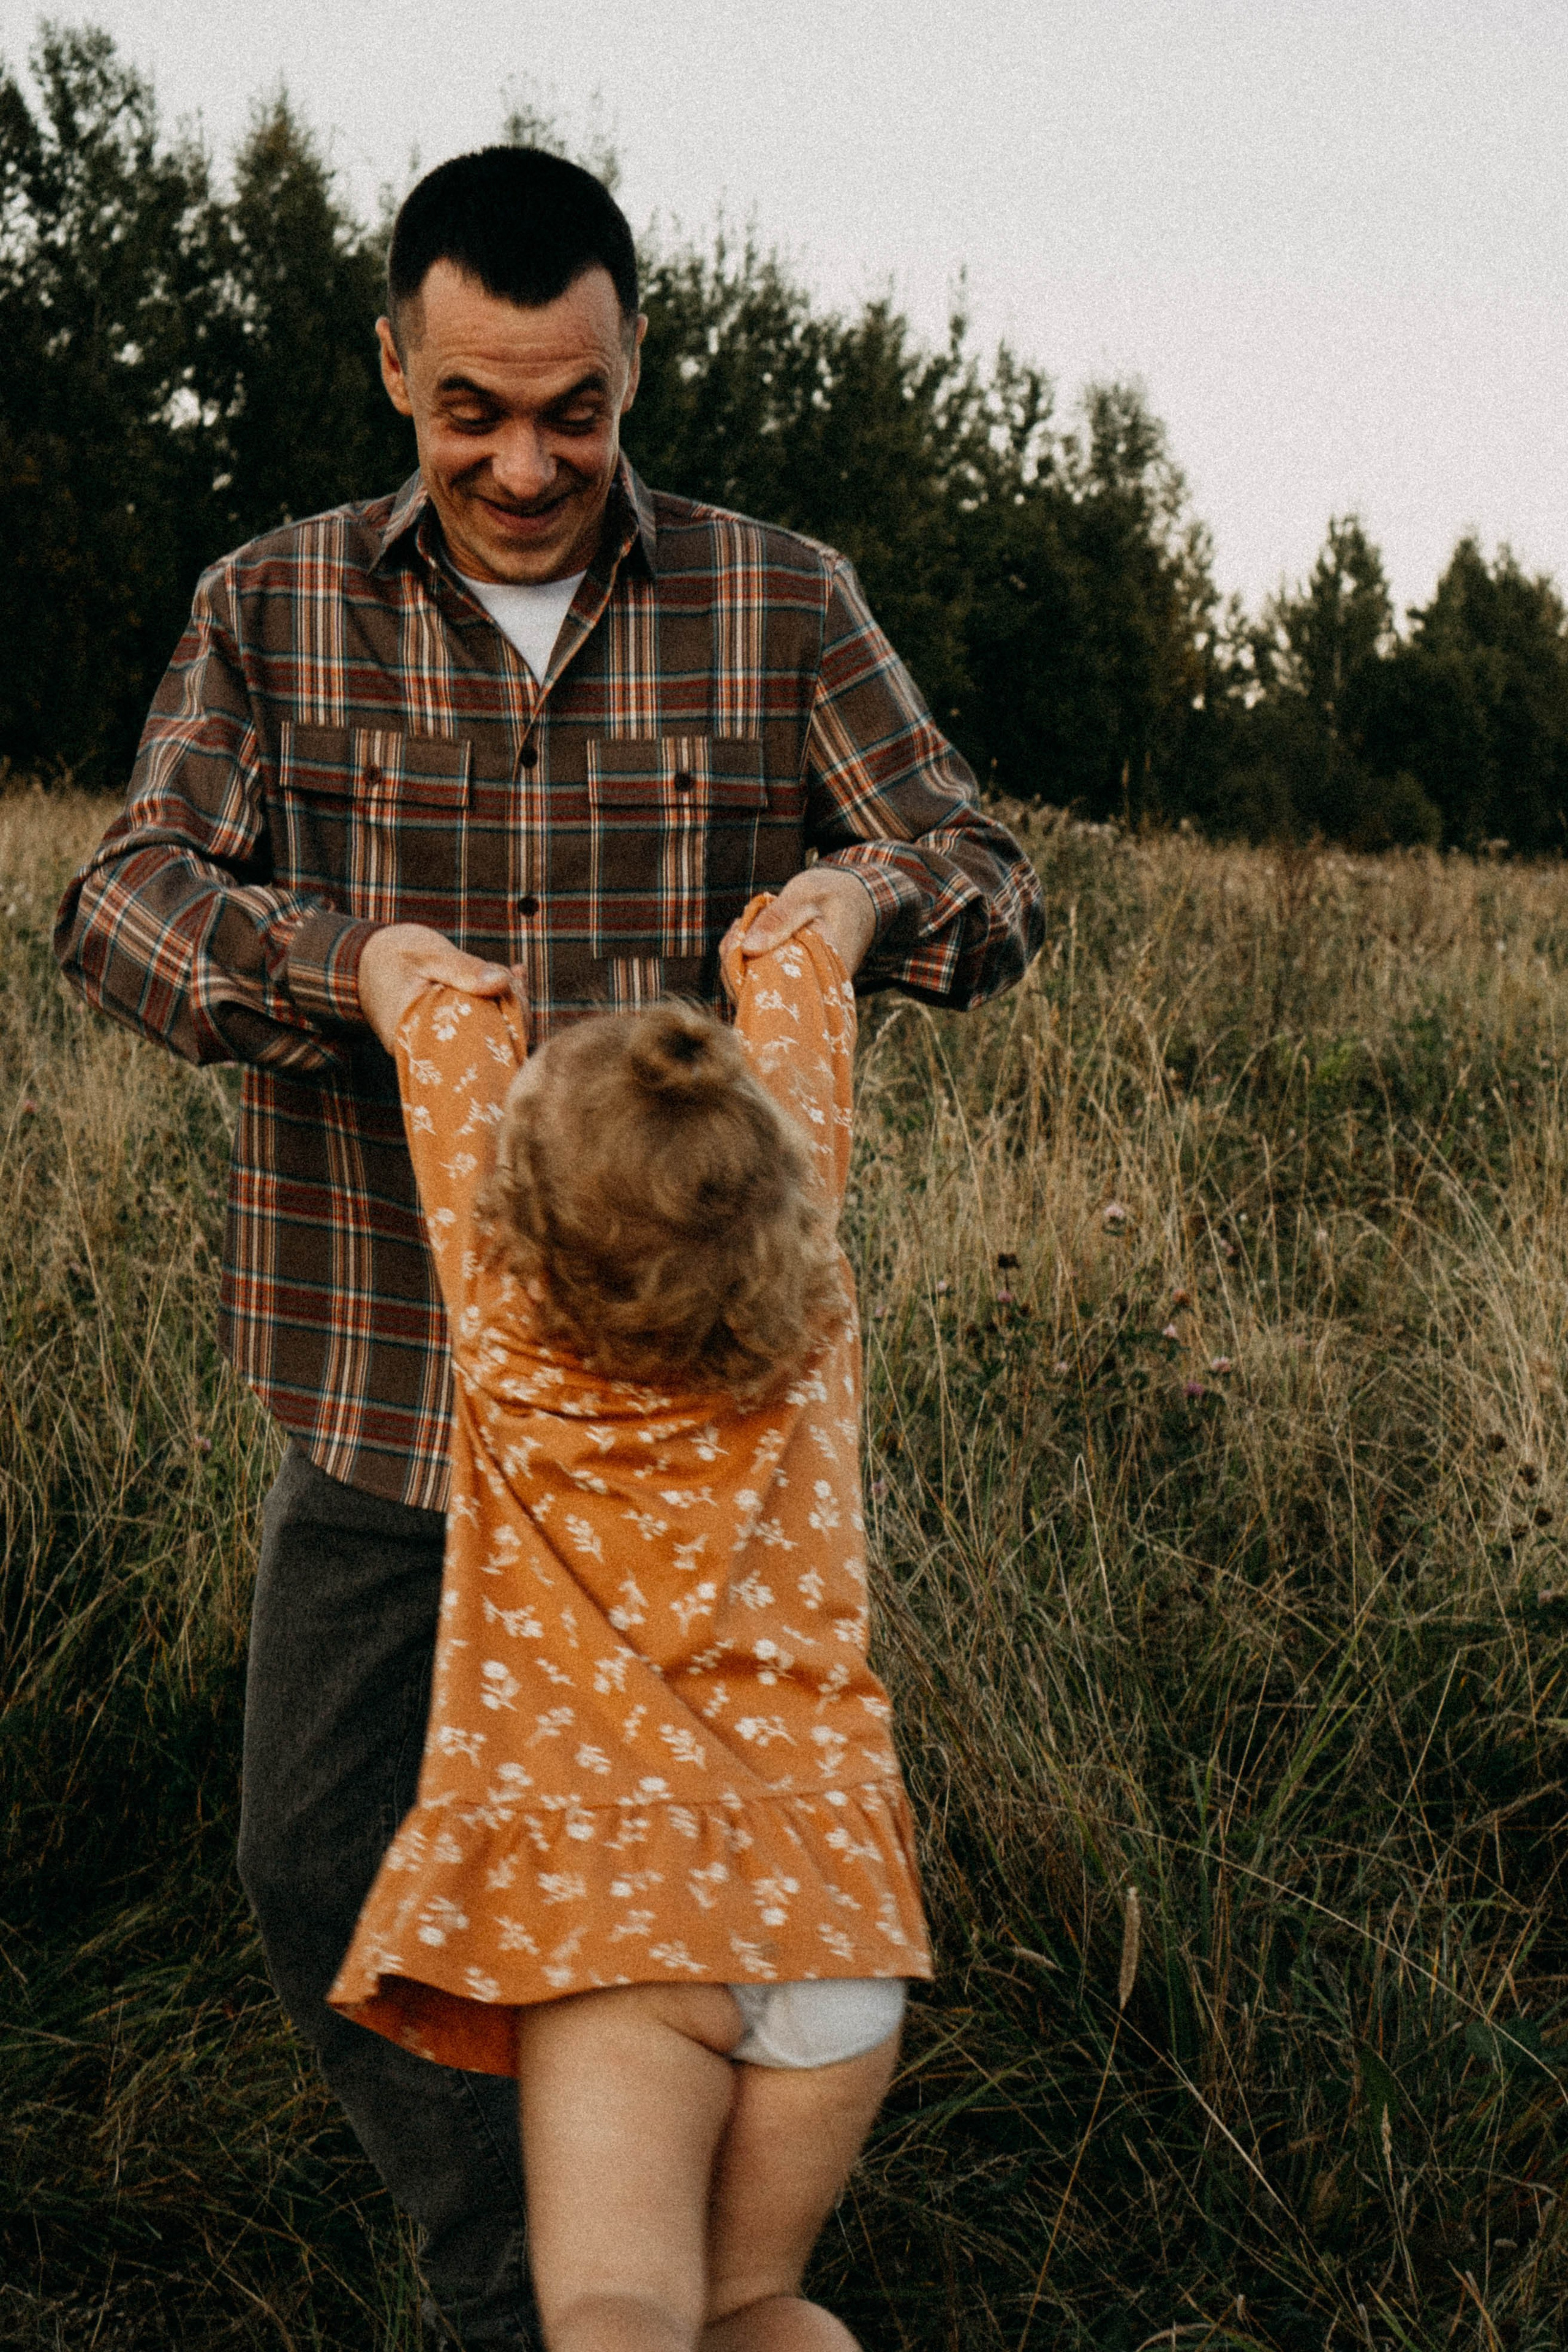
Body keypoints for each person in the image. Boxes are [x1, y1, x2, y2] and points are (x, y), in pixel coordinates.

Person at [53, 143, 1042, 2347]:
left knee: (699, 1872)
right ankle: (556, 2275)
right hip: (390, 1386)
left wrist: (877, 902)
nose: (524, 464)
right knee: (316, 1863)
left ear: (632, 366)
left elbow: (976, 857)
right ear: (394, 367)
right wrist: (353, 969)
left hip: (699, 1418)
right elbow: (127, 896)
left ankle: (624, 2276)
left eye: (572, 410)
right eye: (472, 408)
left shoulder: (781, 602)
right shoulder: (273, 599)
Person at [330, 903, 925, 2351]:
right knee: (755, 2309)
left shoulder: (504, 1339)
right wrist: (808, 944)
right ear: (782, 1202)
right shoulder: (811, 1333)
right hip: (835, 1914)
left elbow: (446, 1049)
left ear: (519, 1230)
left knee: (613, 2306)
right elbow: (802, 1086)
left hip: (625, 1906)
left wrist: (406, 984)